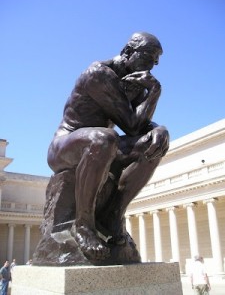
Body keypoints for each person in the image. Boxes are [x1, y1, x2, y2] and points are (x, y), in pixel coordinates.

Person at [47, 32, 169, 261]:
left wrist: (160, 130)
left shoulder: (136, 85)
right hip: (64, 146)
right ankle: (83, 225)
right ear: (127, 52)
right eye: (149, 57)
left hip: (102, 146)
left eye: (155, 61)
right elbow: (132, 125)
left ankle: (114, 215)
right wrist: (154, 92)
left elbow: (140, 126)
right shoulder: (99, 73)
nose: (153, 66)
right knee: (105, 138)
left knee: (155, 144)